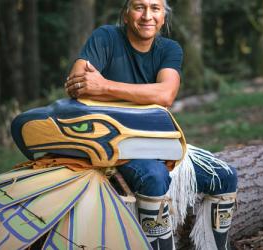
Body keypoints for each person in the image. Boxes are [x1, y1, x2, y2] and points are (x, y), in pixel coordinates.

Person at [65, 0, 237, 249]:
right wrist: (146, 94)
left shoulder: (169, 48)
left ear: (163, 18)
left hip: (158, 140)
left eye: (155, 8)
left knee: (225, 176)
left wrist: (103, 87)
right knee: (155, 177)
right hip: (113, 142)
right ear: (126, 14)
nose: (147, 15)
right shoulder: (105, 37)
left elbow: (165, 95)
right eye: (139, 7)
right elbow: (77, 86)